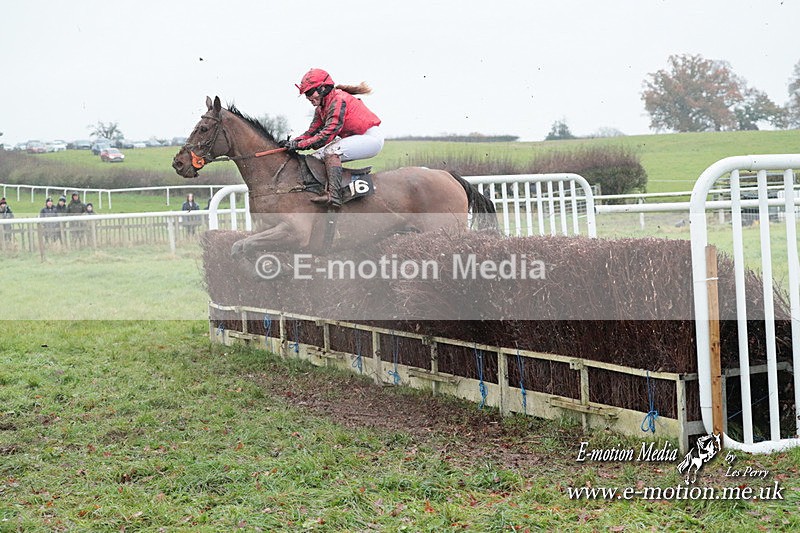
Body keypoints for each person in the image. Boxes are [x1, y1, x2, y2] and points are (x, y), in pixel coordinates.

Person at [279, 68, 383, 208]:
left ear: (322, 89)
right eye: (306, 94)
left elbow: (327, 135)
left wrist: (299, 146)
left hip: (370, 138)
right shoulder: (321, 108)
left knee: (330, 152)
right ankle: (322, 190)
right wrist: (293, 142)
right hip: (357, 137)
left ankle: (334, 196)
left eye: (309, 92)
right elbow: (311, 132)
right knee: (315, 157)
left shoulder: (338, 100)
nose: (308, 98)